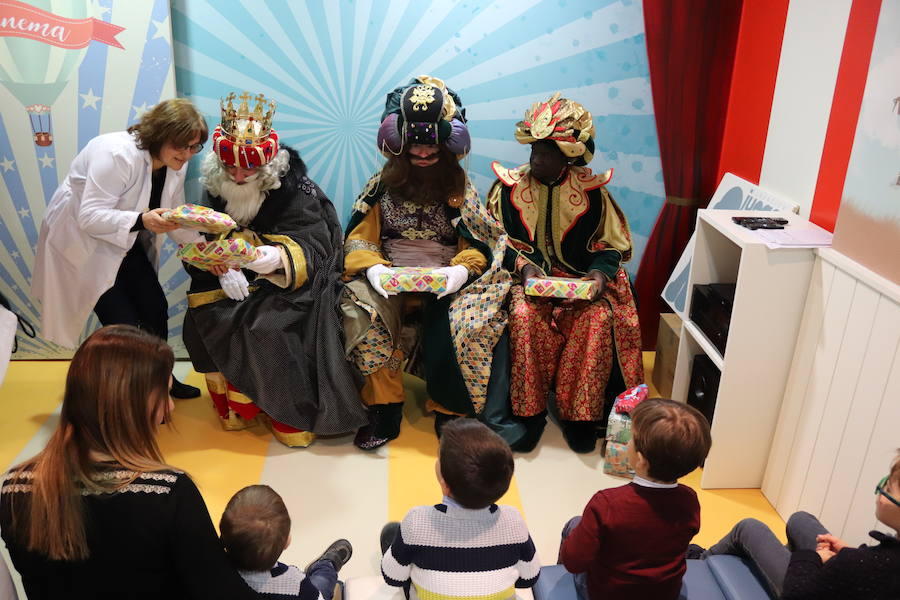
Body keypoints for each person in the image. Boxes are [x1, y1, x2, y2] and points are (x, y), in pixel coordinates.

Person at [0, 325, 261, 599]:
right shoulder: (169, 493)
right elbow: (220, 591)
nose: (169, 409)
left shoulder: (14, 487)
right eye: (165, 395)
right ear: (132, 406)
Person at [182, 92, 367, 447]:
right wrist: (223, 267)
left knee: (267, 326)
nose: (237, 177)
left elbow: (316, 246)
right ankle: (238, 409)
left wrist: (263, 259)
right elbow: (212, 232)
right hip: (237, 277)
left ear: (266, 167)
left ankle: (286, 412)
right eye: (229, 168)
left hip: (295, 278)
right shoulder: (219, 184)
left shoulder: (297, 190)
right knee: (204, 310)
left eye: (247, 168)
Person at [342, 76, 513, 450]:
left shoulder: (458, 187)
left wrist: (457, 272)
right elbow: (359, 236)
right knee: (359, 311)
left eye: (431, 152)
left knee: (467, 317)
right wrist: (374, 268)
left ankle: (450, 408)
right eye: (414, 151)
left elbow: (480, 243)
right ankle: (384, 408)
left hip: (445, 277)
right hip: (388, 273)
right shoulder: (381, 185)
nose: (421, 156)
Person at [487, 93, 644, 453]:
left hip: (580, 285)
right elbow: (494, 241)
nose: (536, 159)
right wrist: (523, 268)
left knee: (597, 319)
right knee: (523, 317)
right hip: (526, 282)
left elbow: (611, 247)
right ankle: (528, 414)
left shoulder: (593, 194)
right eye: (534, 150)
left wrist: (598, 277)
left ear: (567, 156)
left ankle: (581, 416)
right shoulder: (507, 189)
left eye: (546, 152)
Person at [31, 98, 206, 399]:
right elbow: (89, 216)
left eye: (194, 148)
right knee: (123, 325)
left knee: (155, 309)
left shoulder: (172, 165)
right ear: (160, 134)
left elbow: (175, 215)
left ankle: (161, 381)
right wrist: (142, 219)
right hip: (84, 244)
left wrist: (204, 254)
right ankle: (134, 397)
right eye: (182, 146)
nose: (187, 155)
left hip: (125, 238)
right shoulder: (115, 154)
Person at [559, 398, 712, 600]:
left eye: (631, 439)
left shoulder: (606, 504)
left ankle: (558, 583)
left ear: (640, 460)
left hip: (607, 593)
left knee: (573, 525)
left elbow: (574, 562)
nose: (628, 442)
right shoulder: (689, 500)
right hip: (665, 593)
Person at [695, 451, 900, 599]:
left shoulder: (866, 565)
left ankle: (695, 561)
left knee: (749, 528)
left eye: (889, 487)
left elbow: (798, 593)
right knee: (800, 520)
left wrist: (811, 559)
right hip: (849, 577)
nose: (882, 491)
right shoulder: (871, 562)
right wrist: (850, 553)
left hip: (802, 587)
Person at [380, 419, 540, 600]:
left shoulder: (416, 522)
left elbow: (393, 577)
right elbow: (528, 578)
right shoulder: (514, 522)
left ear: (445, 485)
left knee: (393, 533)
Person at [220, 485, 352, 600]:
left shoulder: (210, 567)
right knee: (323, 581)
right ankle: (326, 565)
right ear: (287, 542)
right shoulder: (296, 584)